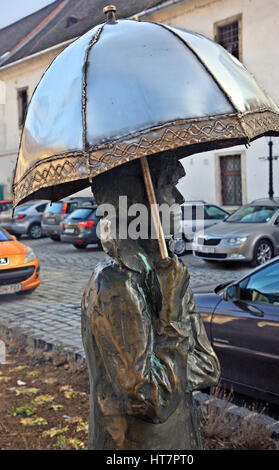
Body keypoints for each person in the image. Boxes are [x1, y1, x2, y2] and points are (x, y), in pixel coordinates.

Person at [81, 154, 220, 450]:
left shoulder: (170, 272)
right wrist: (170, 317)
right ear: (138, 202)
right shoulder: (115, 284)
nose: (181, 198)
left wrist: (171, 370)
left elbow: (209, 366)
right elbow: (153, 400)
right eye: (170, 185)